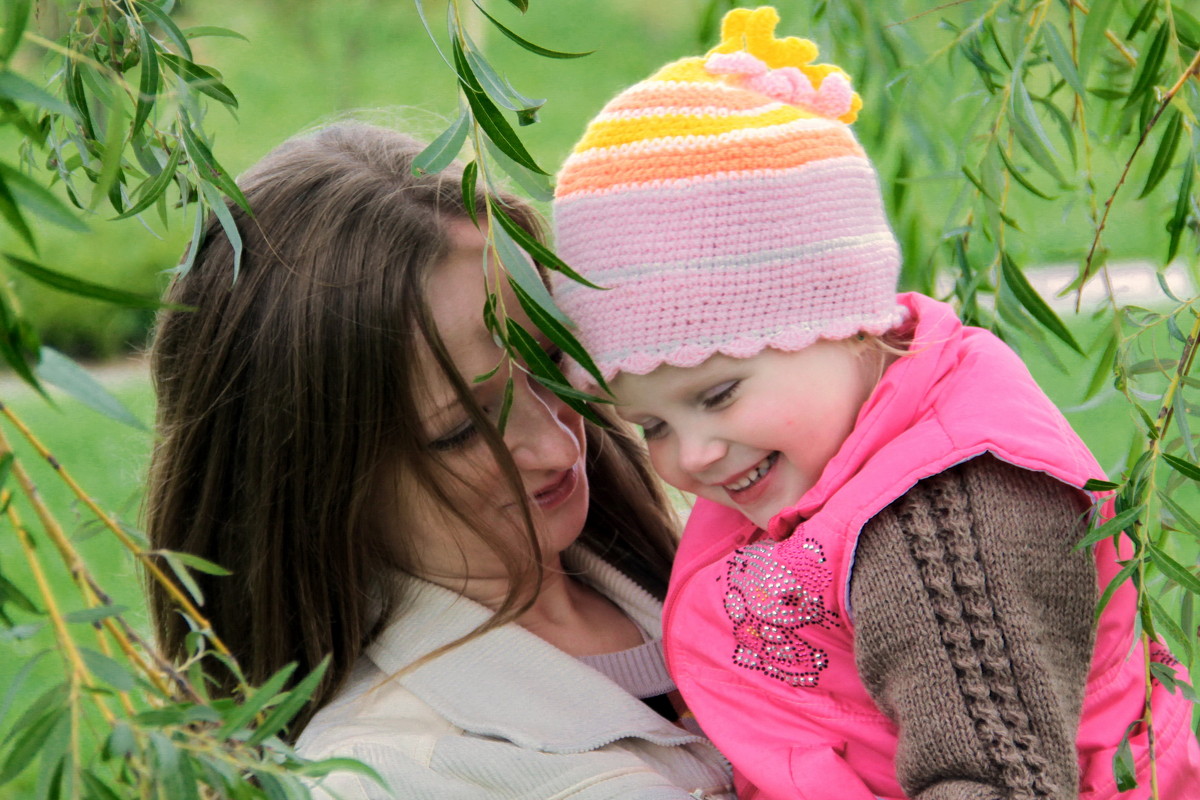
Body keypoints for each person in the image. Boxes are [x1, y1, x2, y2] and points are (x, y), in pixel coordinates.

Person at [549, 7, 1200, 800]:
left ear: (850, 326)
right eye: (652, 424)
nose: (692, 454)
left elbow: (994, 777)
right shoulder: (815, 461)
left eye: (715, 394)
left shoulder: (946, 521)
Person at [144, 123, 733, 800]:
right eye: (459, 431)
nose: (559, 446)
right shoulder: (387, 774)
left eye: (551, 366)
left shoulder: (719, 558)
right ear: (316, 482)